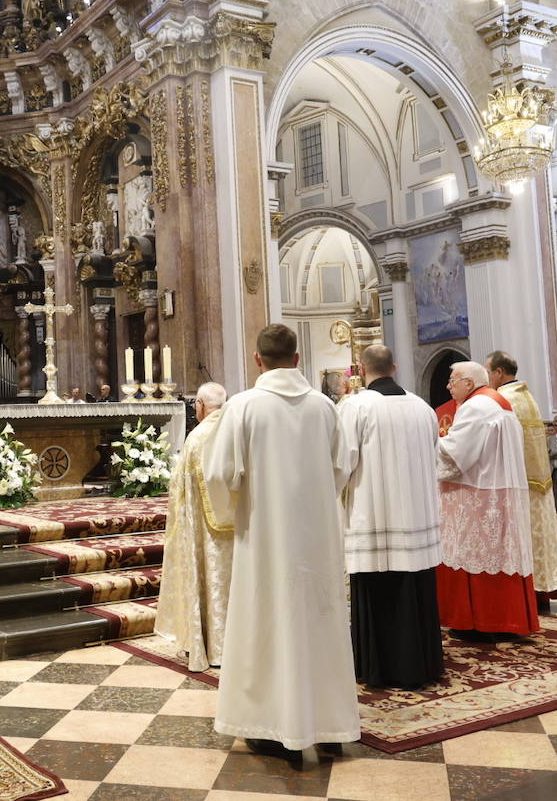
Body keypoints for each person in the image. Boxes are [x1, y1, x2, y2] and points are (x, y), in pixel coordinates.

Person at [204, 324, 358, 758]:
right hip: (317, 538)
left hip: (265, 534)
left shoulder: (244, 407)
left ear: (258, 359)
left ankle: (272, 728)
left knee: (266, 624)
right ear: (296, 359)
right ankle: (330, 727)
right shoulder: (324, 407)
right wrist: (317, 502)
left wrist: (231, 513)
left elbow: (218, 473)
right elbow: (342, 466)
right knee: (321, 622)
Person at [338, 344, 445, 690]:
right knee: (416, 592)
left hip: (375, 518)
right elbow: (435, 455)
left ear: (360, 368)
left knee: (379, 593)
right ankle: (423, 664)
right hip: (416, 515)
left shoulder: (355, 407)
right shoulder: (422, 407)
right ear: (395, 367)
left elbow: (341, 464)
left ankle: (379, 668)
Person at [435, 361, 538, 641]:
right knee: (497, 553)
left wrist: (428, 440)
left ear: (469, 382)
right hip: (496, 489)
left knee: (474, 552)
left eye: (453, 380)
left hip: (478, 494)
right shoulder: (497, 403)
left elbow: (455, 456)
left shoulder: (476, 406)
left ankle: (478, 622)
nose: (448, 386)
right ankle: (505, 621)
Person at [154, 382, 231, 673]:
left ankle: (209, 645)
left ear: (199, 404)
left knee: (209, 585)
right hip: (239, 532)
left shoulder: (197, 438)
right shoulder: (235, 432)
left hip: (205, 533)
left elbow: (180, 491)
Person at [486, 352, 557, 608]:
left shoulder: (501, 400)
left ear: (499, 372)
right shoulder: (527, 396)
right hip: (538, 480)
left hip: (518, 484)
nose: (486, 377)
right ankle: (540, 594)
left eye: (488, 371)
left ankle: (523, 596)